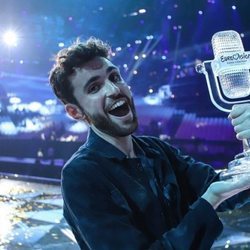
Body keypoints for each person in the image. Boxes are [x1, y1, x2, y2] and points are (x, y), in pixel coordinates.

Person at [49, 37, 250, 250]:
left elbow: (221, 186)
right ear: (75, 111)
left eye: (115, 77)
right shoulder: (81, 175)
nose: (113, 89)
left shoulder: (157, 150)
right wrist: (212, 198)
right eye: (94, 87)